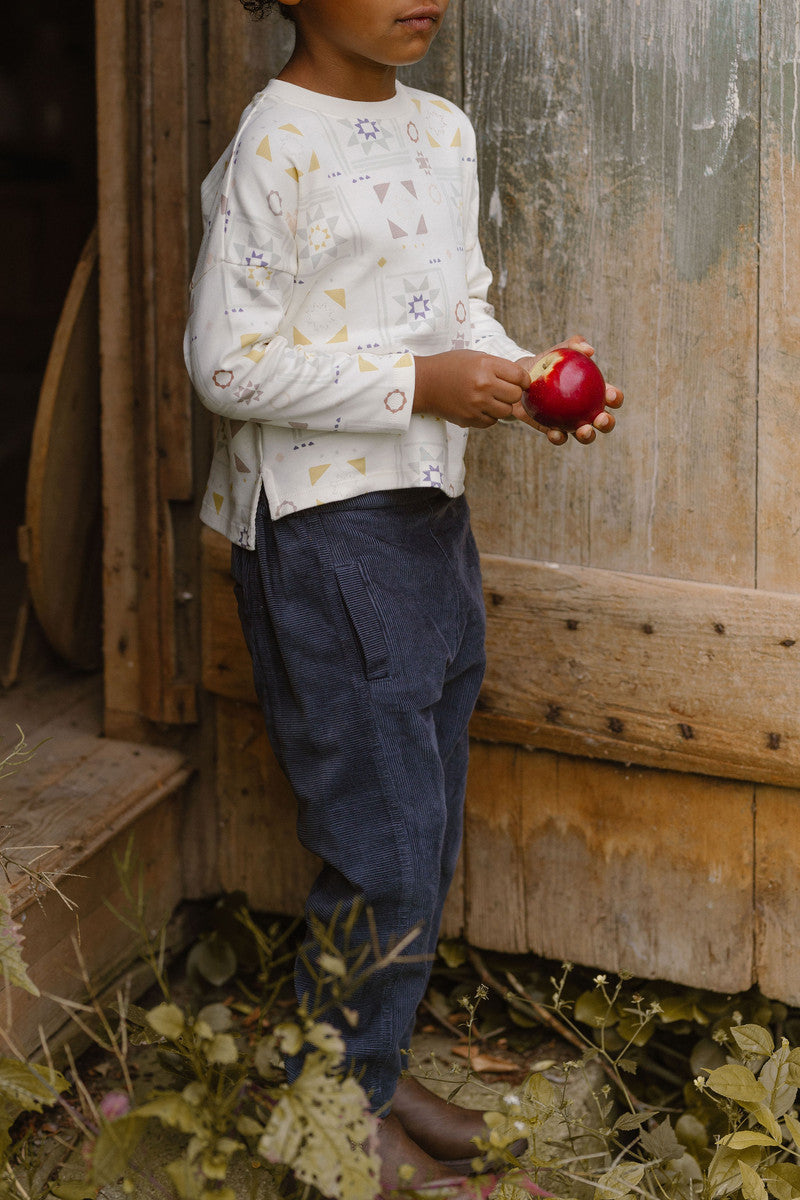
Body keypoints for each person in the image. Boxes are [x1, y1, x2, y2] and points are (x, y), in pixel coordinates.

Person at [184, 1, 623, 1195]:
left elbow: (452, 304)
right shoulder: (275, 141)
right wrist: (418, 381)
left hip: (427, 517)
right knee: (377, 839)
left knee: (418, 829)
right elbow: (225, 361)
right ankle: (331, 1119)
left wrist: (525, 374)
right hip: (324, 532)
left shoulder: (437, 128)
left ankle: (366, 1069)